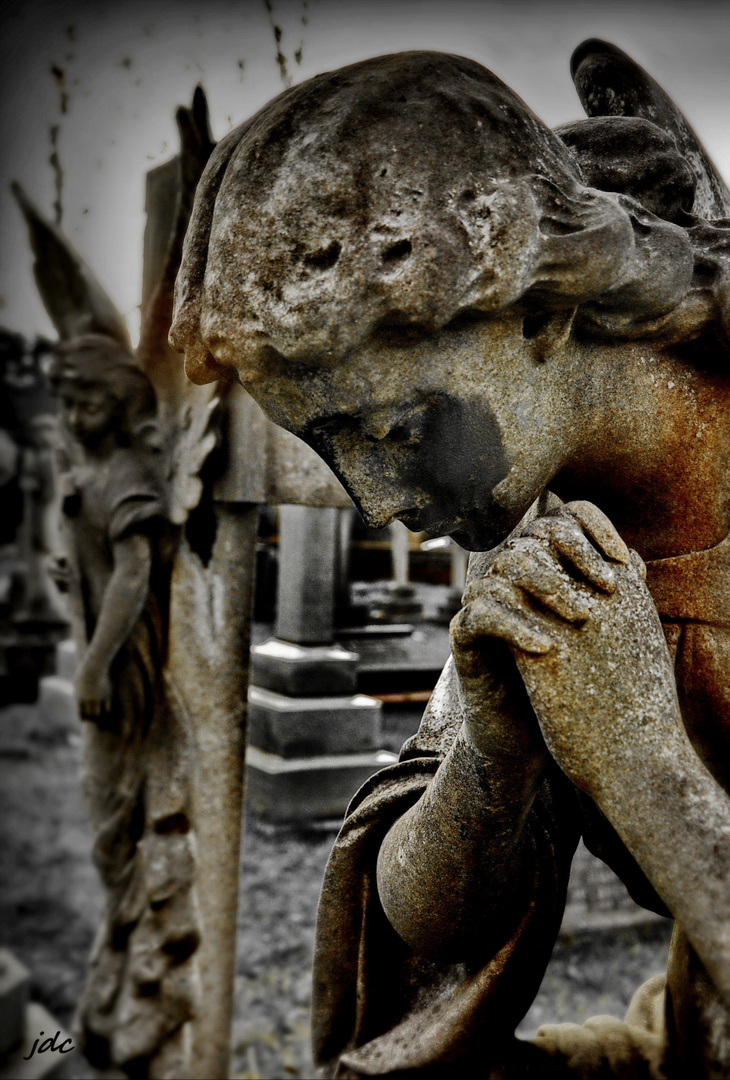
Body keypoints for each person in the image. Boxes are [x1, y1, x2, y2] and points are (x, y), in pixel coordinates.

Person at [171, 43, 730, 1077]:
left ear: (539, 310)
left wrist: (641, 771)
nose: (376, 502)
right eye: (326, 451)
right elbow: (420, 922)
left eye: (390, 430)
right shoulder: (546, 528)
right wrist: (491, 761)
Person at [48, 334, 200, 1076]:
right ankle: (119, 935)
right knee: (105, 814)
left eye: (89, 401)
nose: (75, 414)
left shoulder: (130, 475)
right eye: (68, 401)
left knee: (113, 815)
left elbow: (134, 575)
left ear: (117, 405)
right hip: (103, 666)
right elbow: (102, 565)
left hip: (124, 675)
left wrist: (96, 668)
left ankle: (123, 935)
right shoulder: (95, 470)